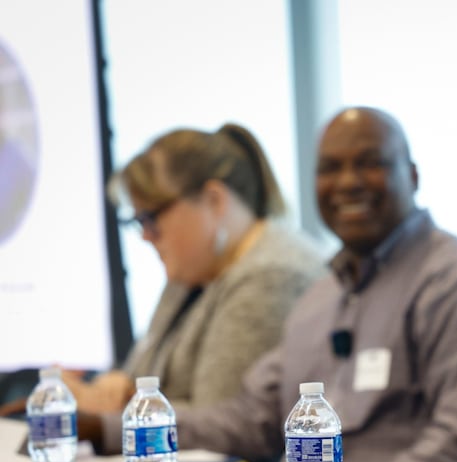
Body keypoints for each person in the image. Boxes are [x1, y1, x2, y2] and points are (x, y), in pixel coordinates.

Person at [80, 106, 457, 462]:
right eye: (330, 168)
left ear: (412, 175)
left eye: (370, 163)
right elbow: (248, 419)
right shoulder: (323, 296)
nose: (348, 183)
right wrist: (105, 428)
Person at [5, 123, 327, 416]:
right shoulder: (193, 273)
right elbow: (139, 380)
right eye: (138, 221)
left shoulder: (271, 276)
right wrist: (111, 389)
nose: (145, 235)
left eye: (150, 218)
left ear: (214, 200)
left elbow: (220, 421)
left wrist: (107, 408)